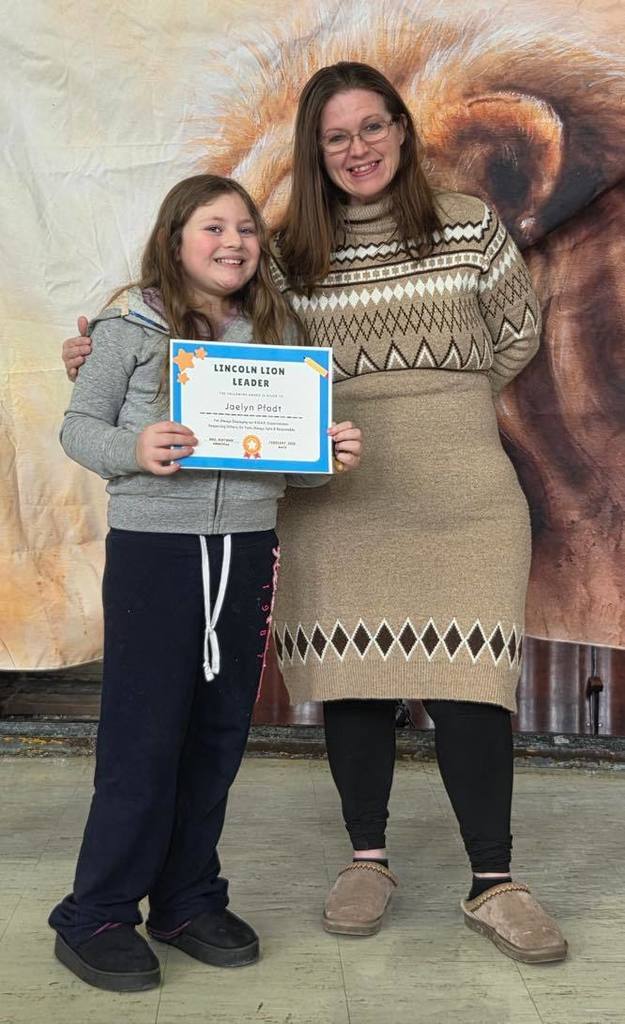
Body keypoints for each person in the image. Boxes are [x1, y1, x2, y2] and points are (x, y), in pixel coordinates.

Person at [62, 62, 567, 965]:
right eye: (335, 136)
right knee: (352, 675)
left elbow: (516, 332)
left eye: (372, 128)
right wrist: (99, 348)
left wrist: (436, 403)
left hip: (463, 493)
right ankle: (365, 860)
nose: (357, 148)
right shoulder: (284, 251)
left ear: (401, 131)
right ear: (314, 149)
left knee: (474, 684)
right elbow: (199, 327)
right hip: (333, 495)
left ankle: (494, 881)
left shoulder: (467, 227)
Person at [51, 173, 362, 992]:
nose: (233, 241)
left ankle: (186, 898)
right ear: (176, 238)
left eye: (247, 229)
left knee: (220, 734)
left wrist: (325, 459)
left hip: (248, 551)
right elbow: (80, 426)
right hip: (157, 551)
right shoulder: (126, 327)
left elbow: (292, 473)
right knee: (143, 737)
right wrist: (135, 449)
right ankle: (98, 912)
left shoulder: (277, 330)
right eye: (212, 227)